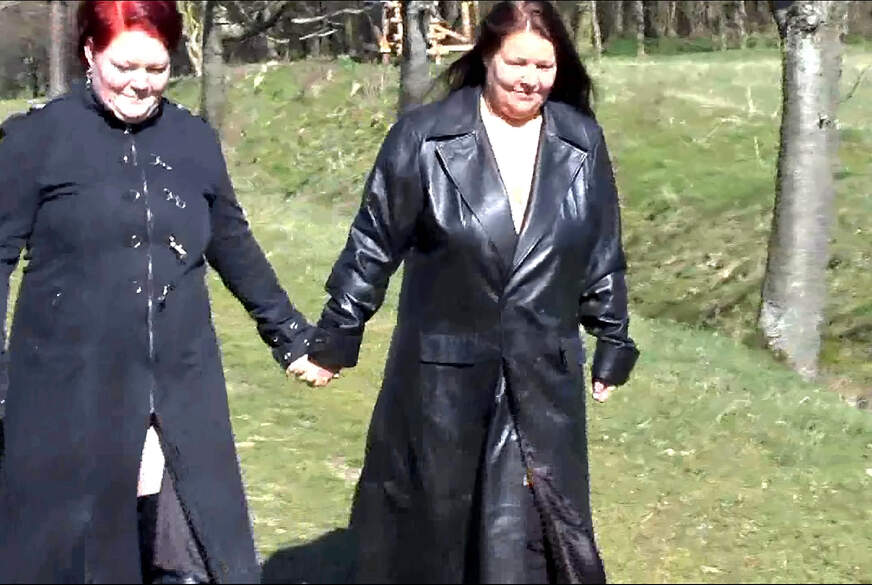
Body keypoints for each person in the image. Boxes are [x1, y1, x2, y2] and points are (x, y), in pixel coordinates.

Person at [290, 1, 640, 582]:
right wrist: (336, 337)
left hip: (542, 380)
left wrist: (613, 336)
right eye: (517, 63)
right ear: (486, 57)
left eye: (545, 66)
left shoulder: (582, 143)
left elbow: (600, 249)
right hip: (442, 384)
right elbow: (372, 245)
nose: (530, 80)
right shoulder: (424, 138)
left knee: (532, 540)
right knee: (437, 542)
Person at [0, 1, 327, 582]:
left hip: (181, 384)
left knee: (193, 553)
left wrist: (290, 335)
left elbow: (232, 242)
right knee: (79, 559)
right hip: (69, 392)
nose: (140, 83)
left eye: (157, 69)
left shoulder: (192, 139)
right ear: (90, 53)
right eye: (124, 66)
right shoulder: (35, 139)